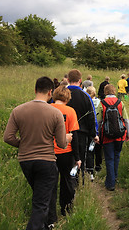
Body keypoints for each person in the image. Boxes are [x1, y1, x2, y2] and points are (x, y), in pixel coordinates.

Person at [4, 76, 72, 230]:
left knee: (40, 198)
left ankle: (45, 226)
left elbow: (7, 137)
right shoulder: (55, 113)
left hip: (25, 161)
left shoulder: (18, 110)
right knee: (41, 204)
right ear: (50, 92)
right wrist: (67, 138)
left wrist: (24, 144)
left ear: (35, 90)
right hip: (46, 161)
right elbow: (61, 144)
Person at [50, 85, 80, 217]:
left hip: (49, 152)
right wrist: (77, 157)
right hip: (66, 152)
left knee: (50, 183)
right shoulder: (70, 111)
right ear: (67, 98)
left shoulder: (47, 109)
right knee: (67, 181)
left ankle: (50, 214)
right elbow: (74, 136)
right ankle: (66, 209)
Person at [66, 69, 99, 184]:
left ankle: (67, 182)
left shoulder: (62, 94)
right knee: (80, 160)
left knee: (66, 160)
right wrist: (94, 134)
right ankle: (80, 183)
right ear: (80, 80)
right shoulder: (86, 96)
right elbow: (91, 117)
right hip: (82, 133)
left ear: (68, 80)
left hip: (64, 133)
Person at [97, 84, 129, 191]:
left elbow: (99, 121)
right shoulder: (120, 103)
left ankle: (110, 184)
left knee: (109, 159)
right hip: (120, 135)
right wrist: (128, 133)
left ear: (105, 92)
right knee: (117, 156)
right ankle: (114, 178)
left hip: (107, 136)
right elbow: (126, 120)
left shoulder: (102, 103)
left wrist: (97, 135)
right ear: (114, 91)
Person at [86, 86, 103, 177]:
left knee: (90, 149)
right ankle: (98, 166)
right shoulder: (100, 102)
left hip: (90, 129)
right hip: (99, 129)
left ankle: (89, 169)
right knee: (98, 149)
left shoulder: (86, 102)